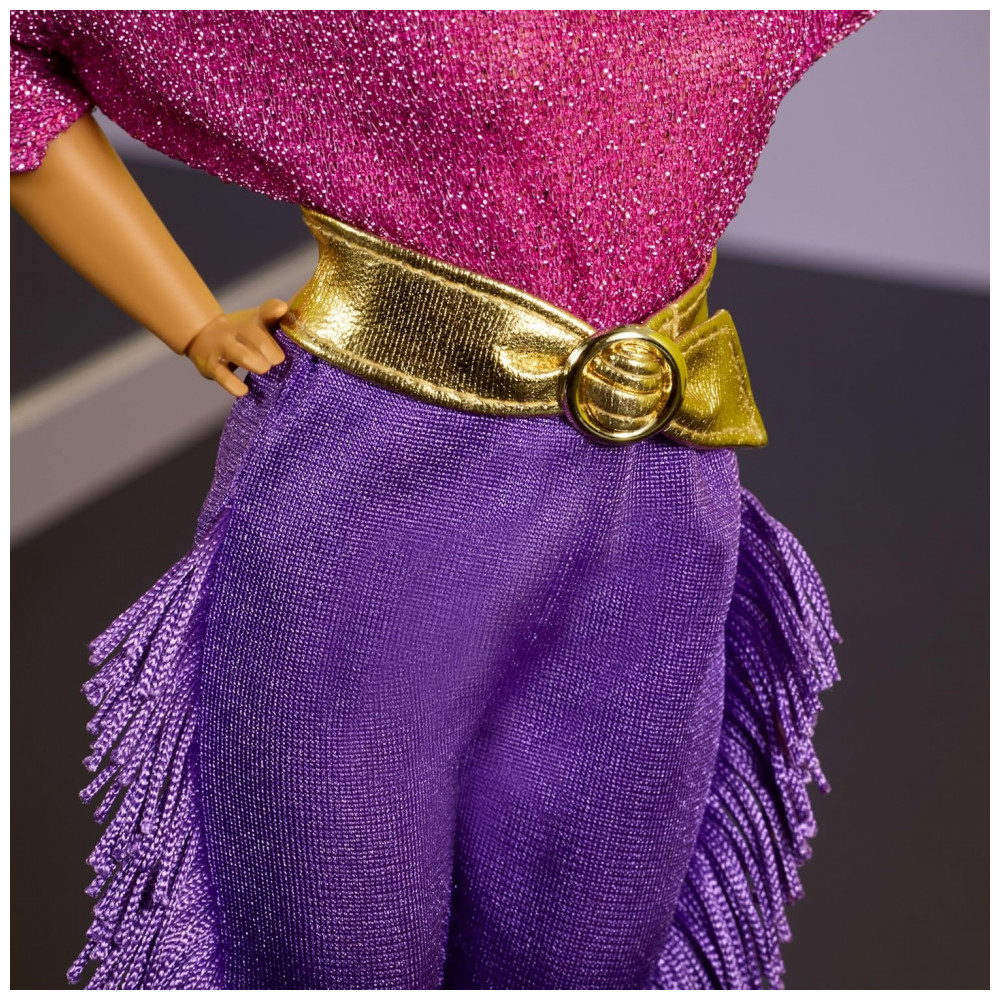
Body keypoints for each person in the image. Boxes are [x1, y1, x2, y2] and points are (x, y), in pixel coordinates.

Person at [10, 10, 876, 990]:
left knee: (599, 947)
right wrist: (191, 319)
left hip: (661, 500)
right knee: (329, 936)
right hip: (385, 488)